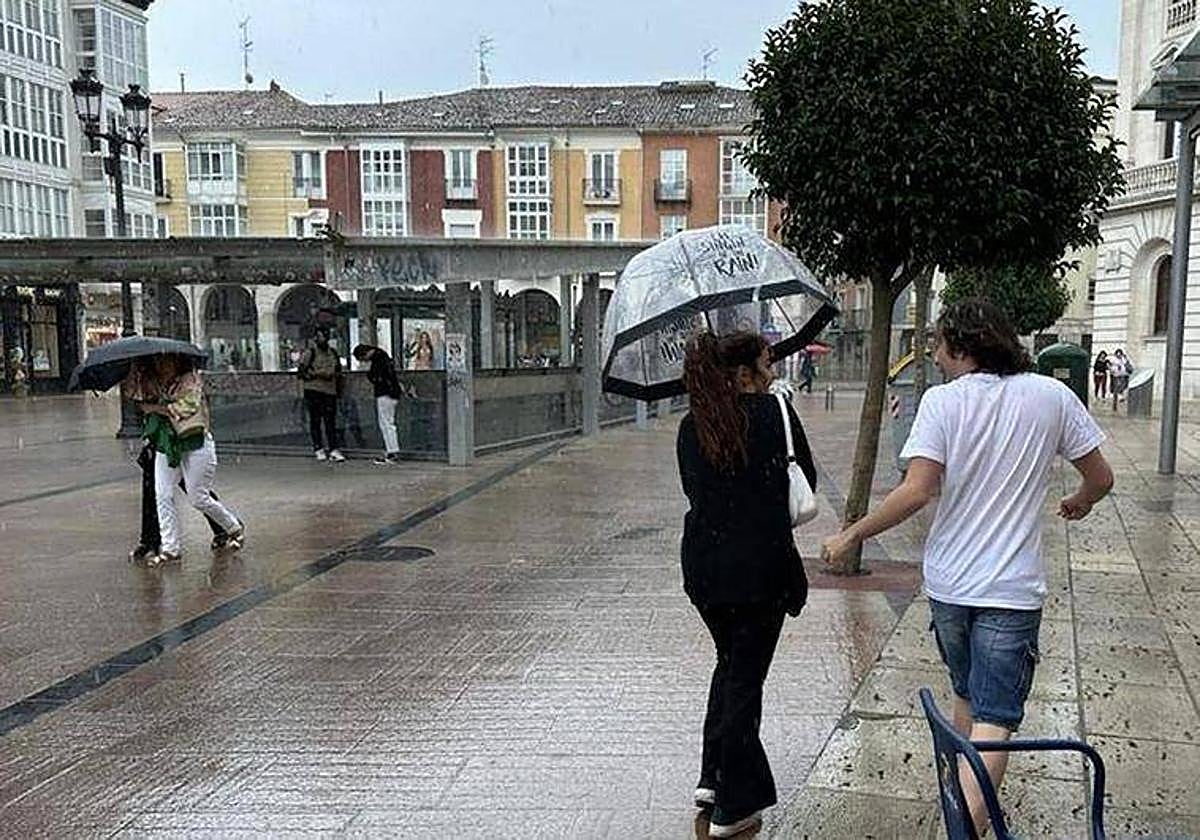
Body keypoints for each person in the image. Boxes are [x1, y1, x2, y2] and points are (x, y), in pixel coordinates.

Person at [821, 299, 1113, 836]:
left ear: (960, 346)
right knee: (995, 717)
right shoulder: (1052, 396)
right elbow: (1101, 476)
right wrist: (1082, 500)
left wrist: (852, 533)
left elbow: (918, 490)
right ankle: (965, 828)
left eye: (937, 345)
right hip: (1011, 588)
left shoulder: (941, 403)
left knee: (968, 697)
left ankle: (961, 813)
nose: (933, 356)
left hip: (951, 586)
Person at [676, 331, 816, 839]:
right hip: (760, 572)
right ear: (742, 374)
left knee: (731, 666)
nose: (772, 372)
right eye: (765, 363)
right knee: (744, 680)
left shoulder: (691, 427)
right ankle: (733, 806)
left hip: (707, 572)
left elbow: (696, 491)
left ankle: (712, 778)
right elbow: (807, 483)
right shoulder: (774, 415)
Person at [125, 355, 245, 566]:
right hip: (167, 444)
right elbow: (135, 397)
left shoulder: (190, 379)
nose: (163, 365)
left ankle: (233, 526)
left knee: (198, 497)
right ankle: (171, 548)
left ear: (178, 362)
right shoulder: (153, 381)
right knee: (162, 494)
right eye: (159, 362)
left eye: (167, 361)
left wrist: (156, 408)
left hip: (194, 443)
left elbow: (187, 407)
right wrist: (138, 376)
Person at [298, 326, 345, 462]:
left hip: (330, 391)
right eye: (320, 337)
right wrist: (318, 374)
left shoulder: (333, 353)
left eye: (325, 336)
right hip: (314, 391)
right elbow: (301, 373)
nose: (323, 339)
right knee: (315, 421)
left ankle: (333, 449)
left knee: (330, 421)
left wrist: (334, 379)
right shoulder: (310, 353)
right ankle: (318, 448)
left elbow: (338, 371)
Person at [353, 343, 404, 465]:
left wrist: (371, 376)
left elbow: (376, 377)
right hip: (390, 393)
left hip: (385, 393)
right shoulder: (383, 357)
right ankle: (391, 451)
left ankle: (392, 452)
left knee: (386, 423)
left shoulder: (379, 360)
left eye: (363, 359)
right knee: (387, 423)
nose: (365, 361)